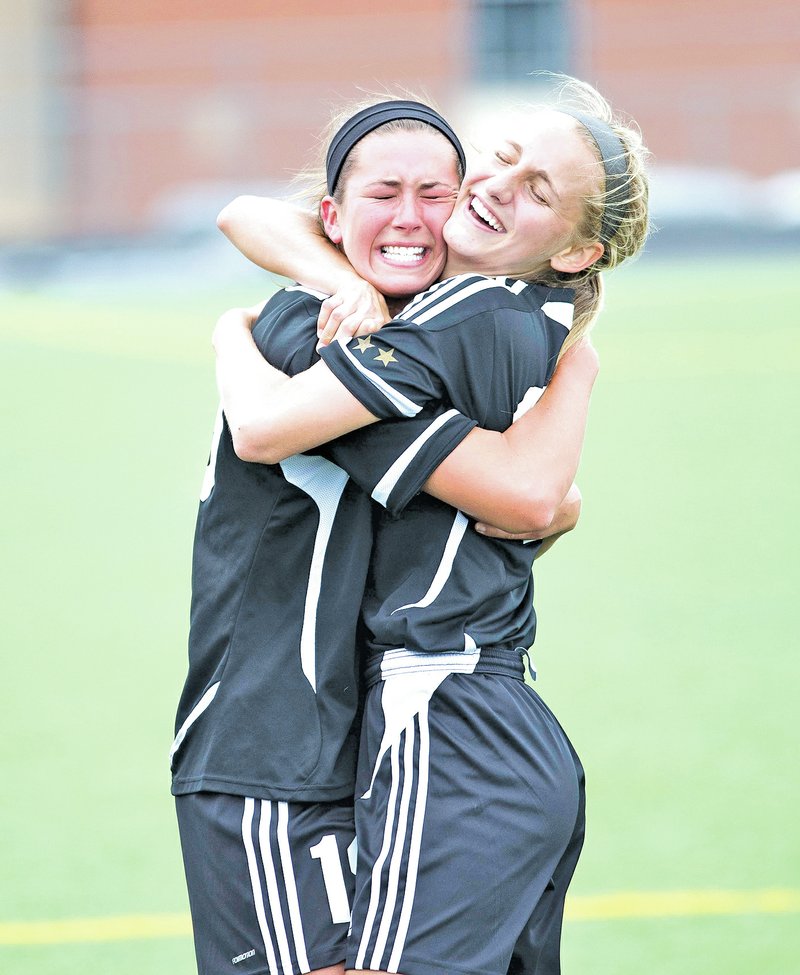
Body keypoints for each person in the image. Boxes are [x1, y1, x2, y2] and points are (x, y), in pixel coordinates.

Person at [212, 76, 649, 975]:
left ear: (575, 250)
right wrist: (337, 275)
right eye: (502, 159)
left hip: (444, 715)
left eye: (538, 192)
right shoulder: (523, 318)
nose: (499, 186)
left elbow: (262, 426)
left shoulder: (454, 319)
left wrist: (233, 331)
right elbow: (250, 214)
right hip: (499, 724)